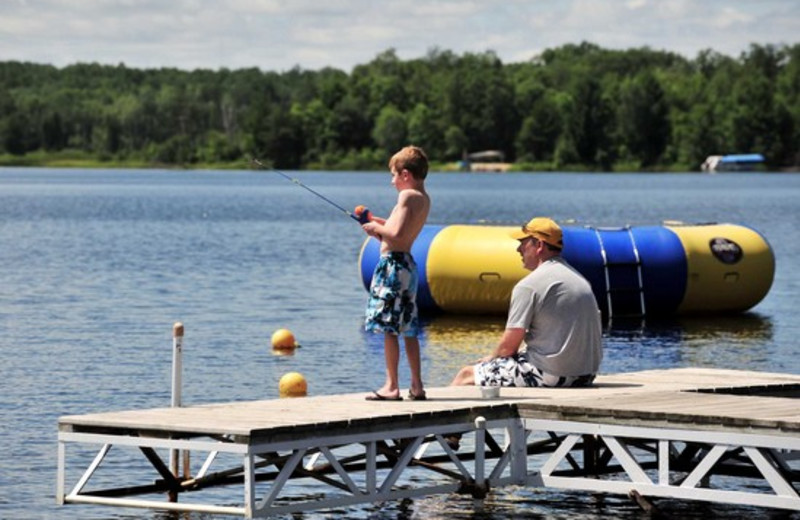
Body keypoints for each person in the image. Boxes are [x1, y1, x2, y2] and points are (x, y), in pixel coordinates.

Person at [451, 217, 602, 388]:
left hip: (552, 375)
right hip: (585, 374)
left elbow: (507, 348)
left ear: (539, 245)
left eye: (523, 243)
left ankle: (444, 413)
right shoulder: (578, 279)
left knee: (467, 374)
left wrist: (489, 360)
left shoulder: (529, 286)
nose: (518, 249)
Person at [360, 145, 431, 401]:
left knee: (389, 328)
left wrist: (375, 231)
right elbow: (399, 227)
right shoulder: (423, 198)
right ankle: (417, 386)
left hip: (392, 266)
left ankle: (391, 386)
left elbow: (396, 234)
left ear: (405, 174)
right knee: (409, 328)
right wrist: (376, 222)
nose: (392, 182)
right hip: (408, 266)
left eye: (393, 175)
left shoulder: (406, 197)